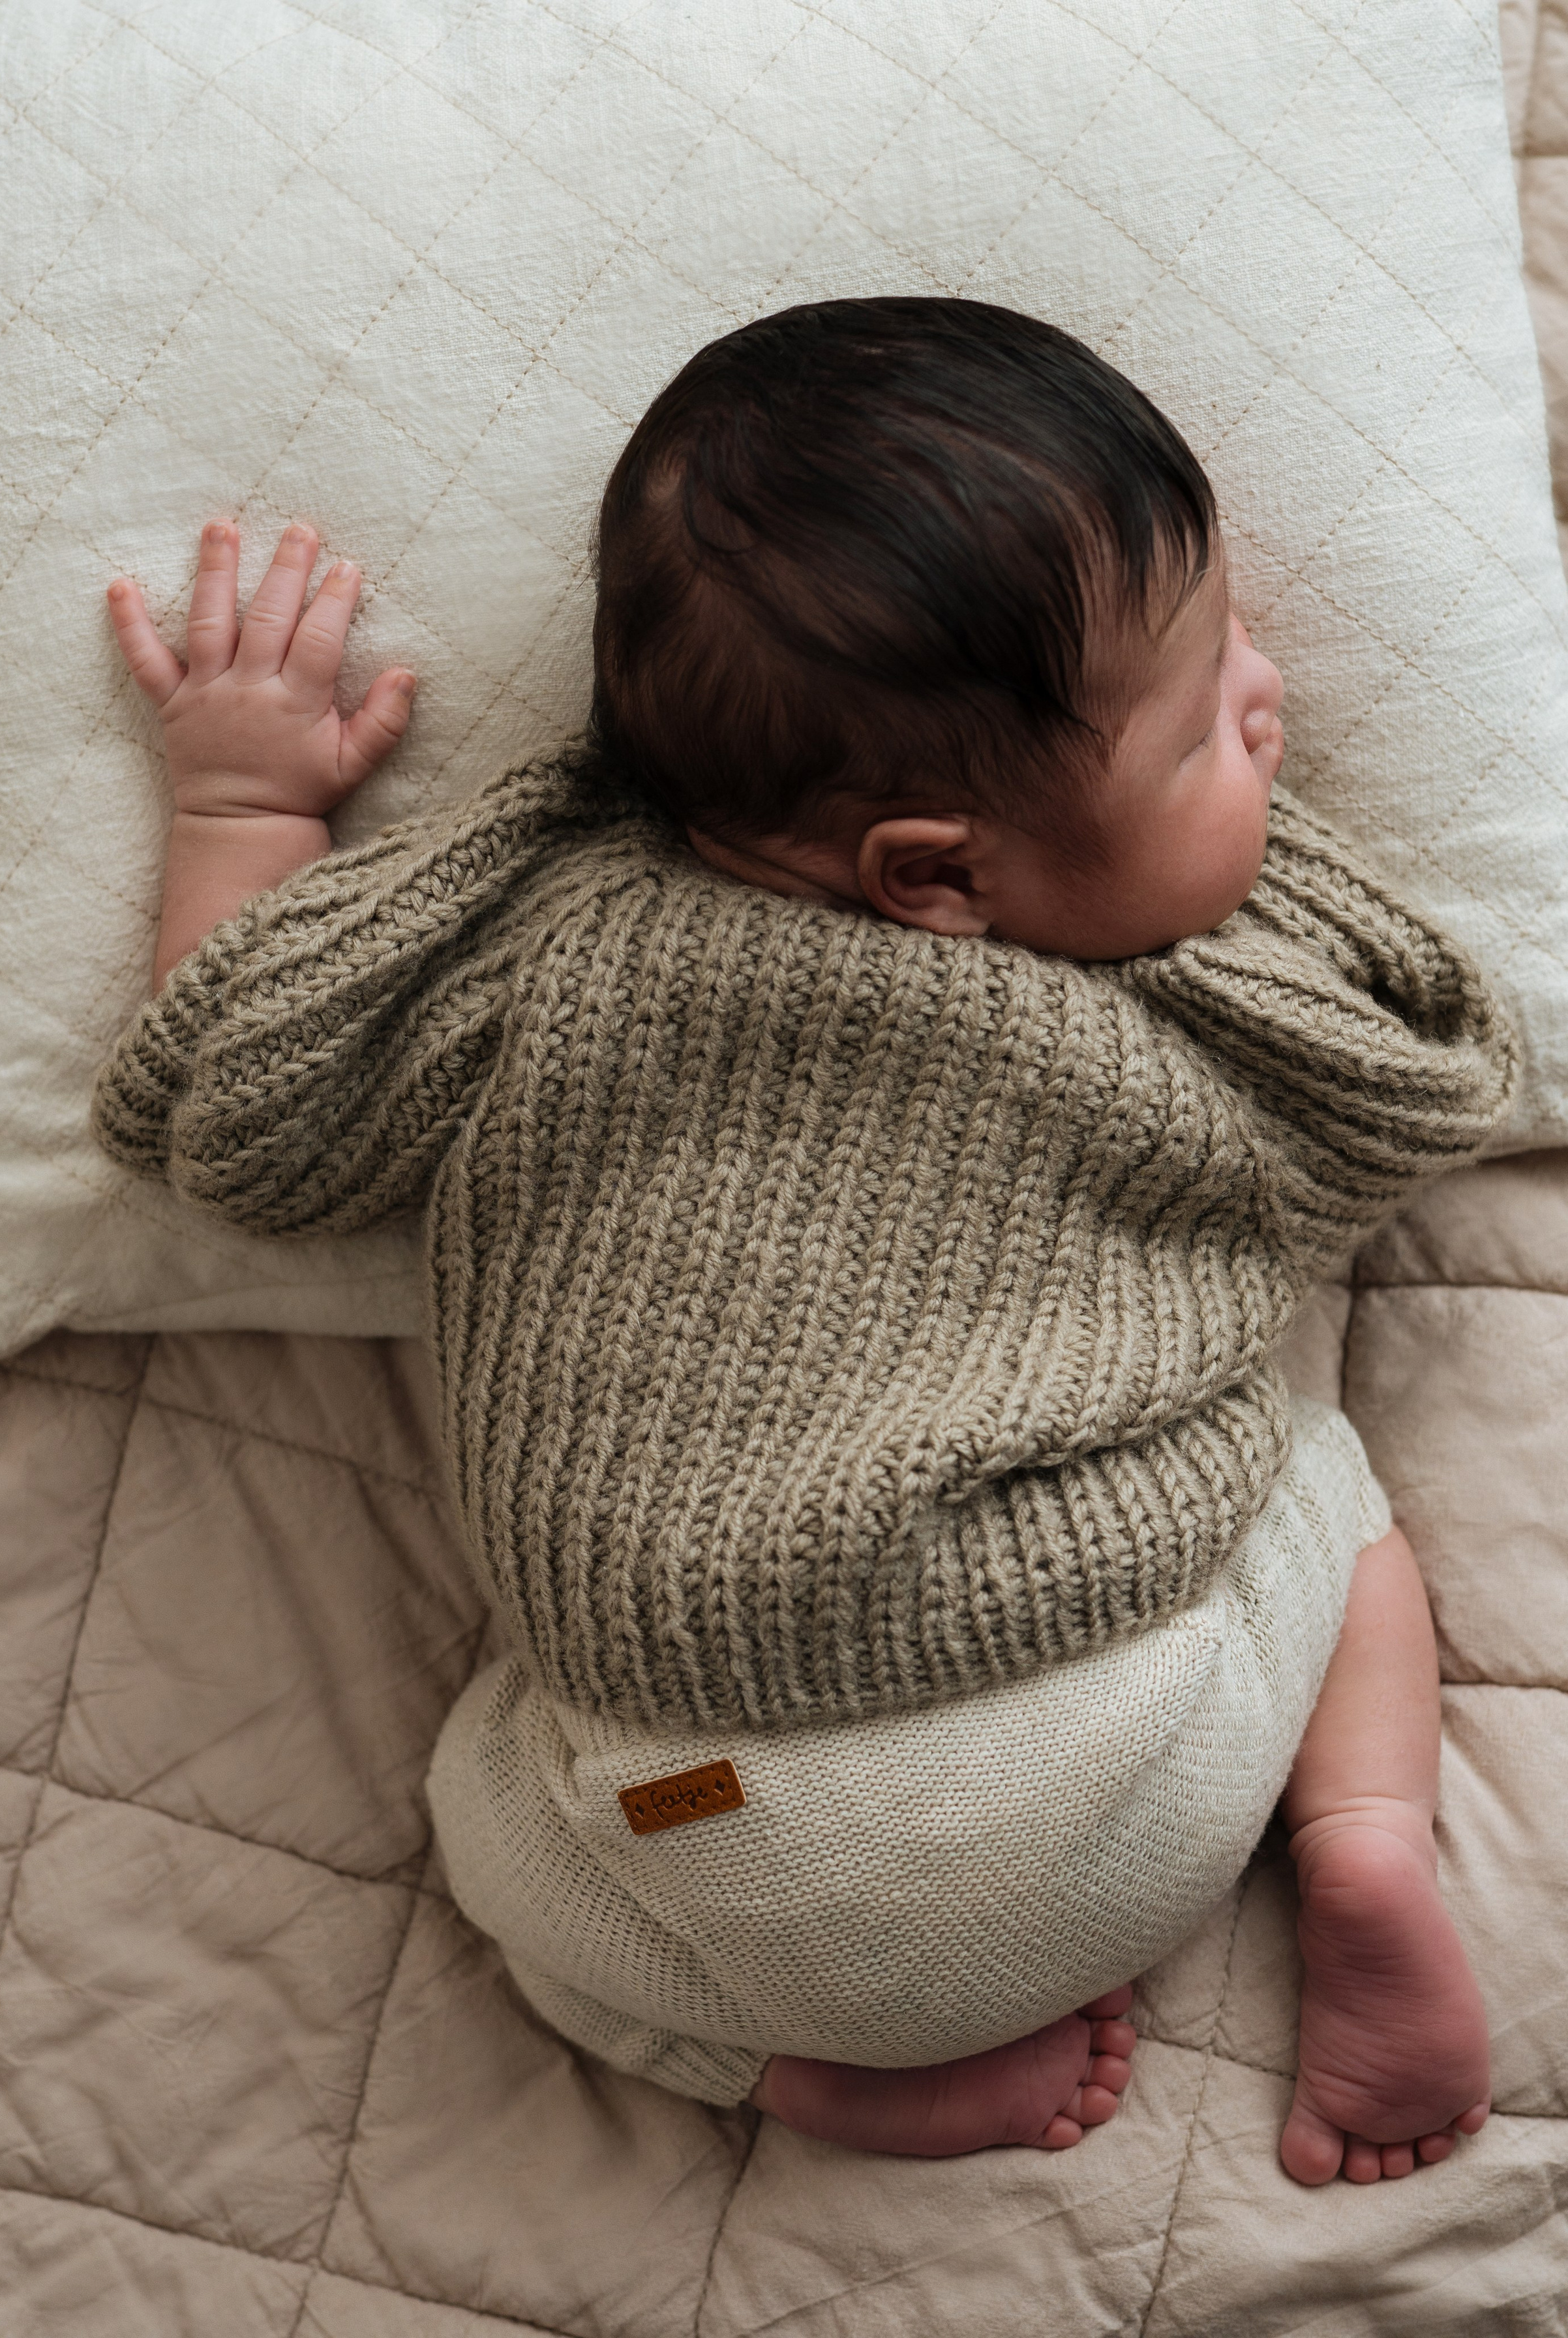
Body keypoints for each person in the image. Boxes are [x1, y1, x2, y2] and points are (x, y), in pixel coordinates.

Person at [95, 298, 1511, 2186]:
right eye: (1203, 732)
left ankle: (794, 2076)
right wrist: (1226, 882)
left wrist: (246, 801)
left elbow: (246, 1097)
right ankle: (1364, 1848)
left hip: (697, 1823)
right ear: (936, 874)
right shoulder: (1175, 1015)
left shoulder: (546, 950)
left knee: (492, 1843)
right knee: (1322, 1493)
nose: (1270, 697)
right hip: (1110, 1752)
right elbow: (1424, 1066)